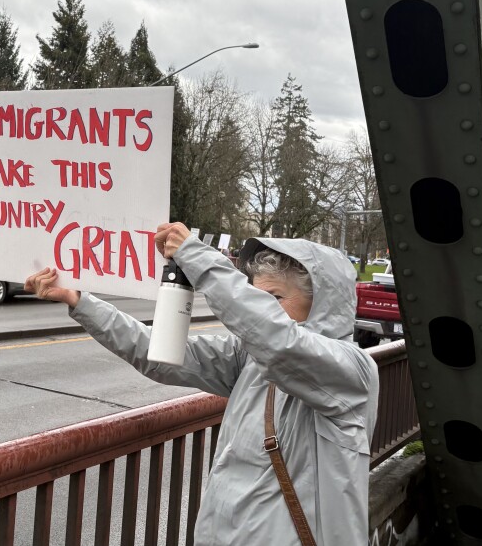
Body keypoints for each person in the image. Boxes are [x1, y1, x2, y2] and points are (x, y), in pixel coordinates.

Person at [25, 222, 379, 546]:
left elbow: (278, 340)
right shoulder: (251, 360)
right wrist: (79, 301)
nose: (262, 310)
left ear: (320, 306)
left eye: (272, 300)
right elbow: (159, 353)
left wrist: (196, 257)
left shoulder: (351, 372)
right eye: (257, 298)